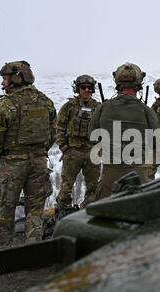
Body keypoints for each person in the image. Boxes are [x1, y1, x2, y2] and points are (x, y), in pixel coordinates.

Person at [0, 61, 56, 247]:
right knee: (35, 211)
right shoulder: (46, 102)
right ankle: (33, 250)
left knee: (6, 211)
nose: (2, 83)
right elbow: (53, 133)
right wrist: (39, 152)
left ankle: (3, 252)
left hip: (12, 165)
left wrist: (1, 155)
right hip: (39, 164)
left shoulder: (4, 105)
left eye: (5, 79)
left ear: (16, 78)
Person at [88, 63, 160, 200]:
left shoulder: (103, 108)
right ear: (139, 83)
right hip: (138, 174)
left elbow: (92, 137)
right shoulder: (146, 111)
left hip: (110, 174)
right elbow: (156, 141)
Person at [55, 75, 101, 211]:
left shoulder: (98, 107)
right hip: (73, 152)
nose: (86, 90)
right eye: (83, 88)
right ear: (77, 89)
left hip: (92, 152)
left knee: (93, 186)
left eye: (90, 88)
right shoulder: (69, 107)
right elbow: (59, 128)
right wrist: (64, 147)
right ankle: (63, 210)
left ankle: (89, 210)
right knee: (67, 185)